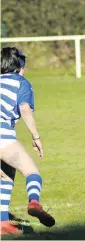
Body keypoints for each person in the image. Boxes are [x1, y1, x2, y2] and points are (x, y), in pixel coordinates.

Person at [0, 47, 55, 235]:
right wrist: (36, 137)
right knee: (32, 172)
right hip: (2, 136)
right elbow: (24, 109)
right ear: (20, 65)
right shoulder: (21, 83)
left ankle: (3, 223)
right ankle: (34, 203)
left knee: (6, 176)